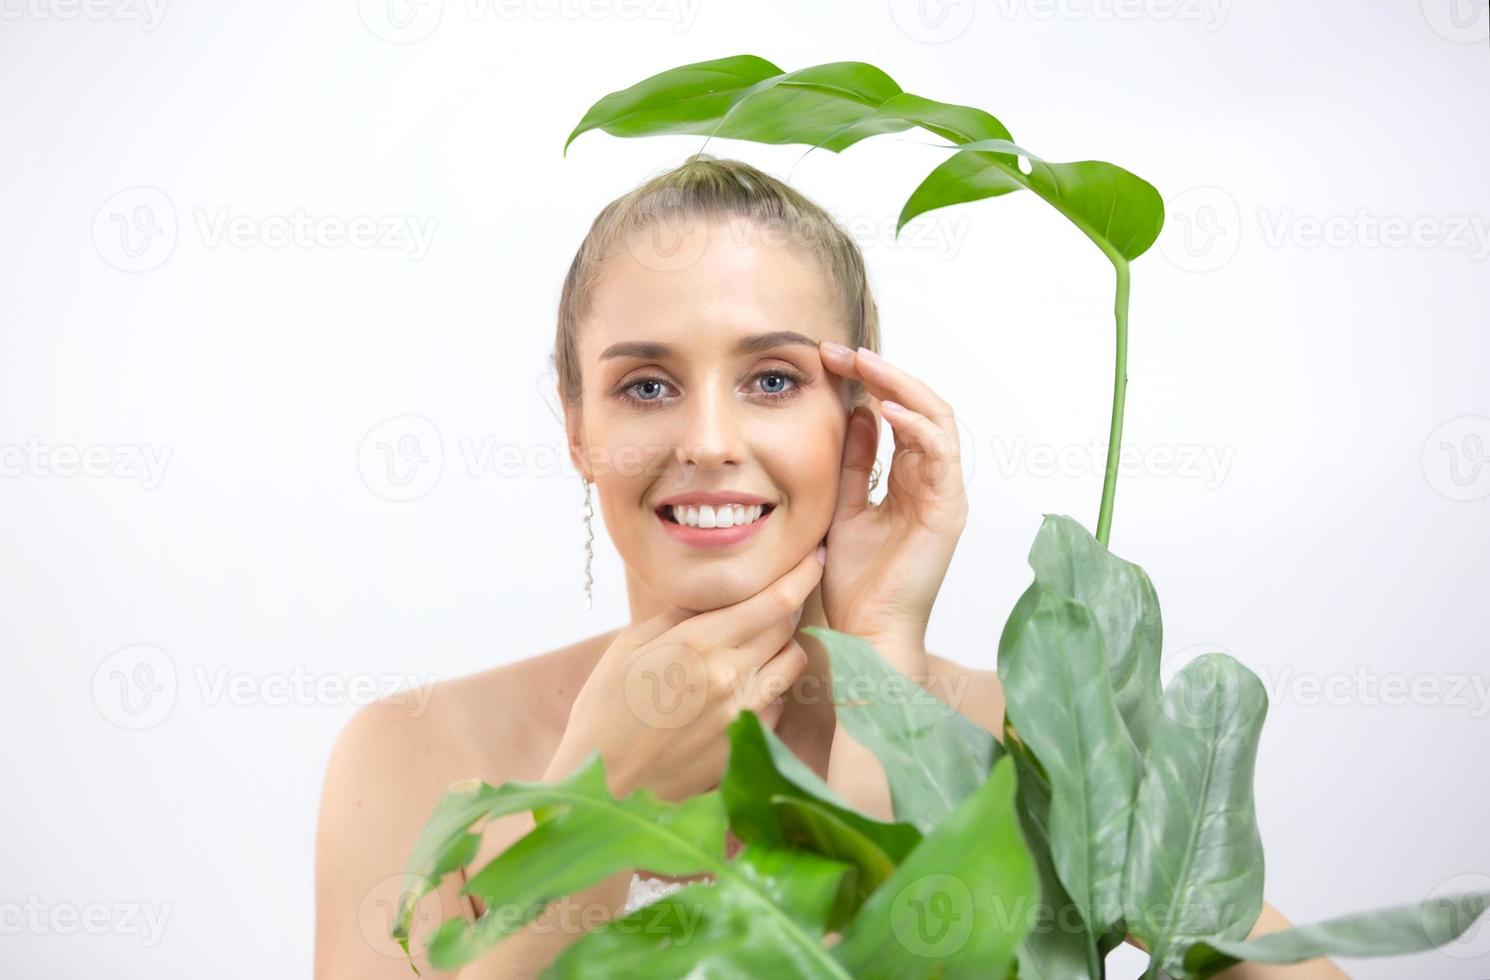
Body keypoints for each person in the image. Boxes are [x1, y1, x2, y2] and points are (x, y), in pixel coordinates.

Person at [313, 155, 1344, 979]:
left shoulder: (1028, 741)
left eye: (770, 377)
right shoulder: (412, 753)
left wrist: (879, 675)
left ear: (857, 424)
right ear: (574, 422)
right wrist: (597, 795)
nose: (709, 439)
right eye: (643, 386)